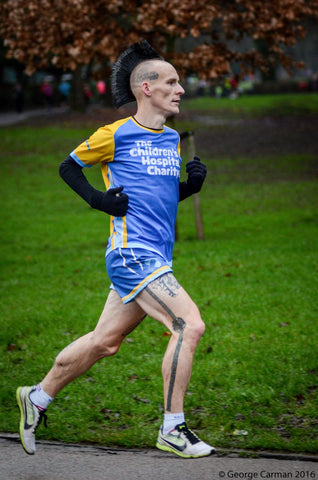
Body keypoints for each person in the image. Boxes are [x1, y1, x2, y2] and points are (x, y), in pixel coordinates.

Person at [16, 42, 214, 459]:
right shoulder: (115, 134)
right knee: (188, 325)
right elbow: (68, 166)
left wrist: (188, 188)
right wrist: (97, 199)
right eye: (171, 81)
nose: (180, 89)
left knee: (105, 342)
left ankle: (36, 398)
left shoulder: (172, 138)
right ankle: (173, 428)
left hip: (157, 254)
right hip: (131, 253)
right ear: (145, 88)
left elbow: (155, 198)